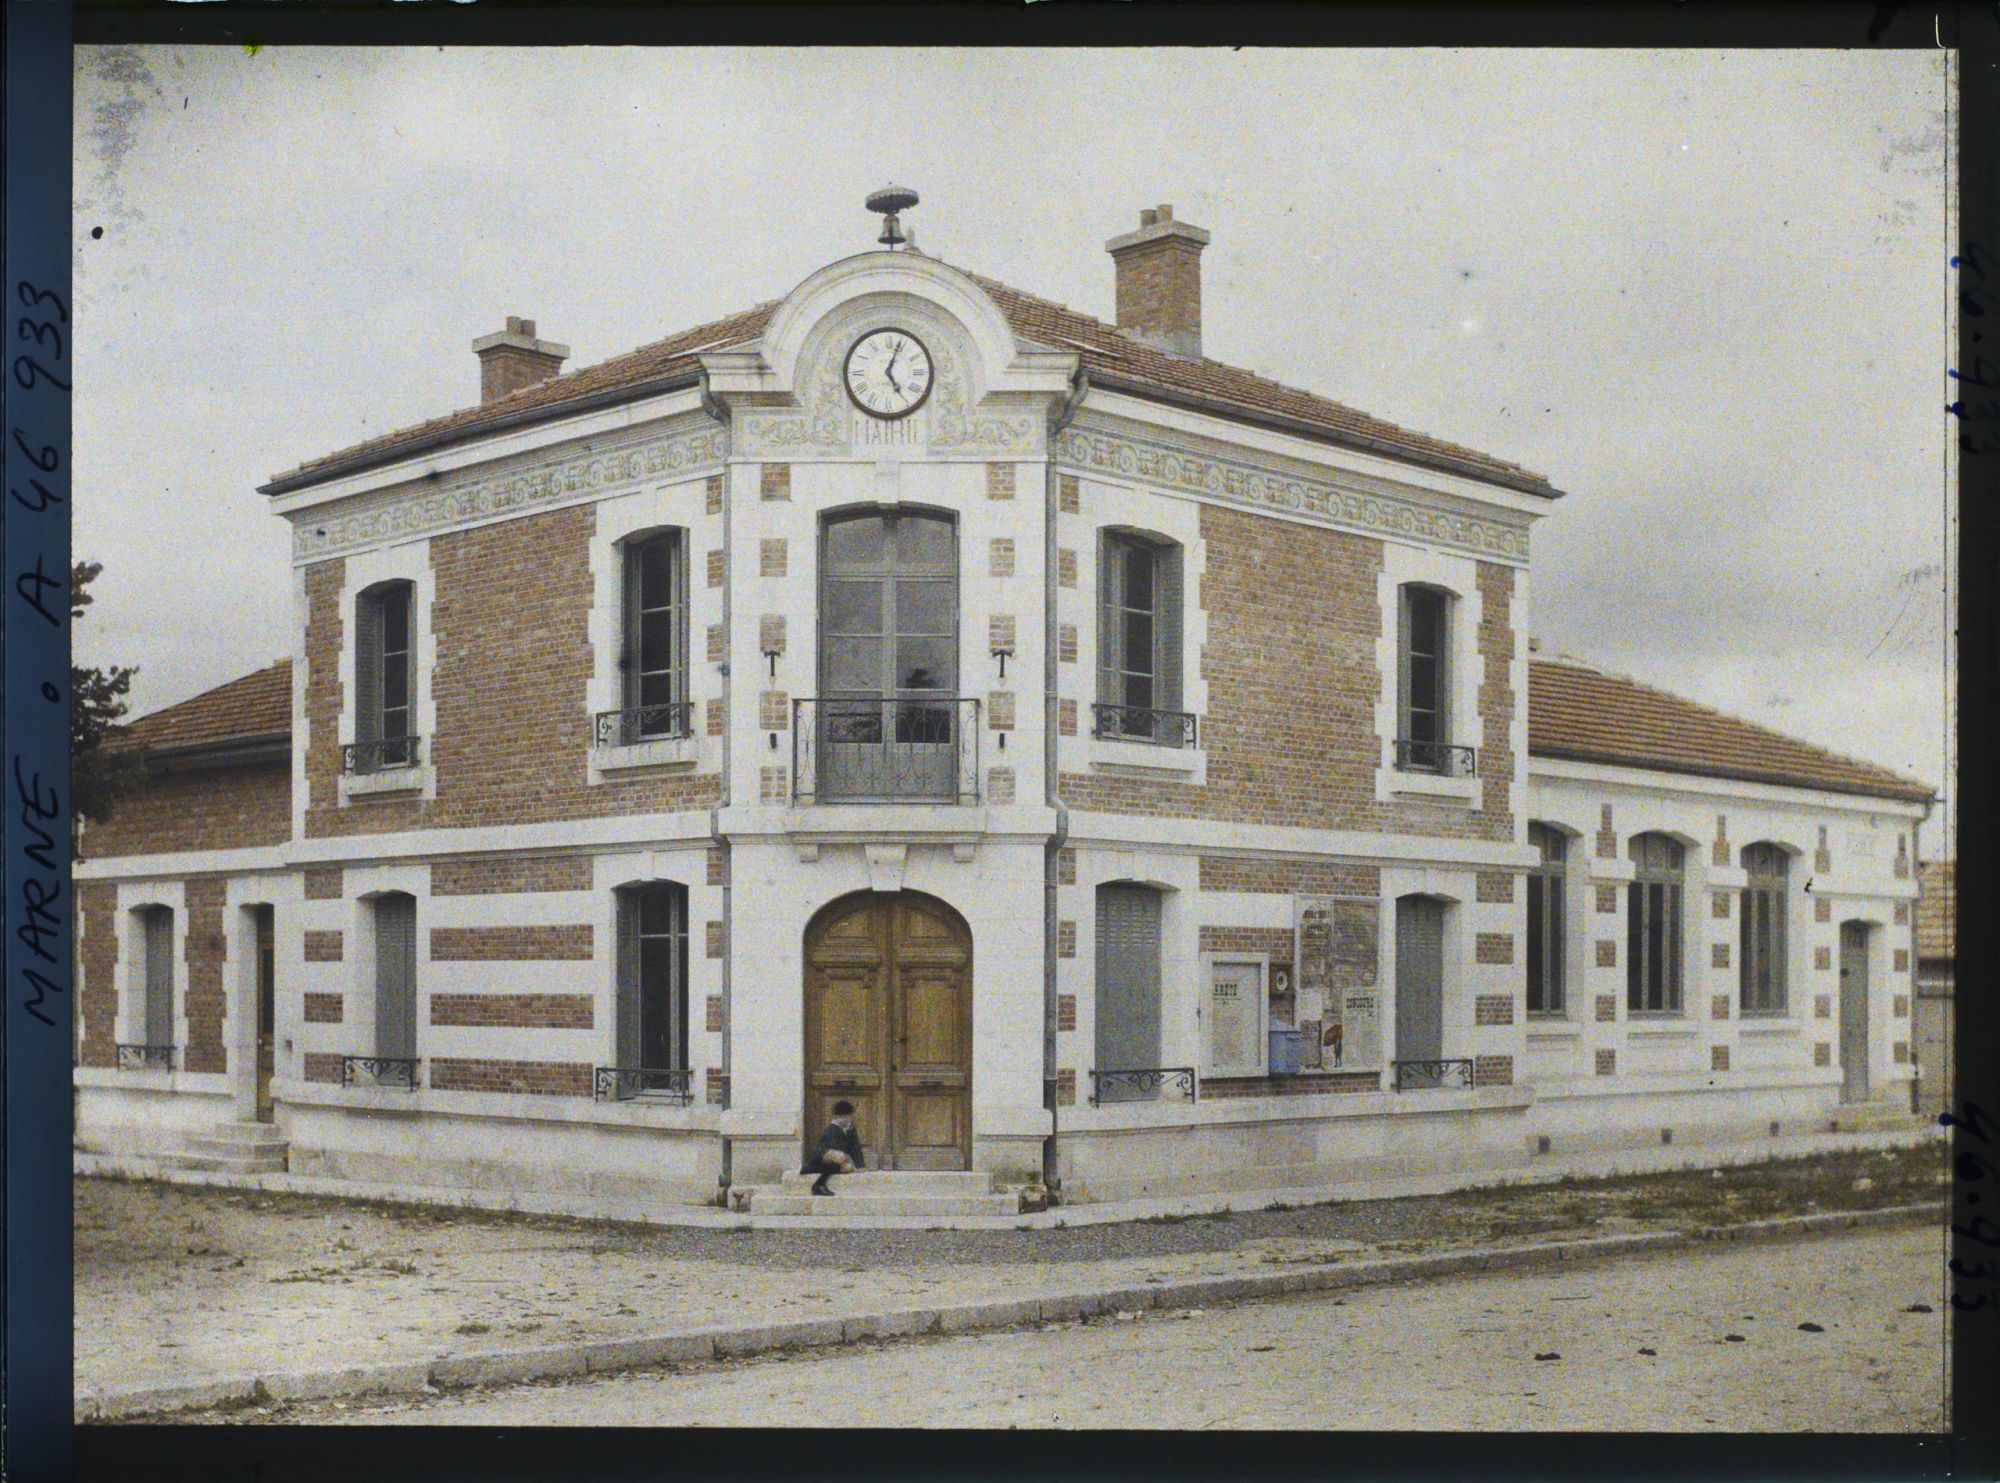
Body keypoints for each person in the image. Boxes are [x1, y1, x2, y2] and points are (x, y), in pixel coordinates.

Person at [803, 1100, 866, 1196]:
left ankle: (818, 1177)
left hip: (838, 1158)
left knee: (847, 1167)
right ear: (835, 1117)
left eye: (845, 1117)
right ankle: (817, 1181)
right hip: (824, 1154)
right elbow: (835, 1146)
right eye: (840, 1117)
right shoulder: (832, 1128)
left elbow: (855, 1146)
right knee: (839, 1158)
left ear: (850, 1116)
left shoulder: (851, 1129)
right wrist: (844, 1159)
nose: (842, 1120)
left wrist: (860, 1165)